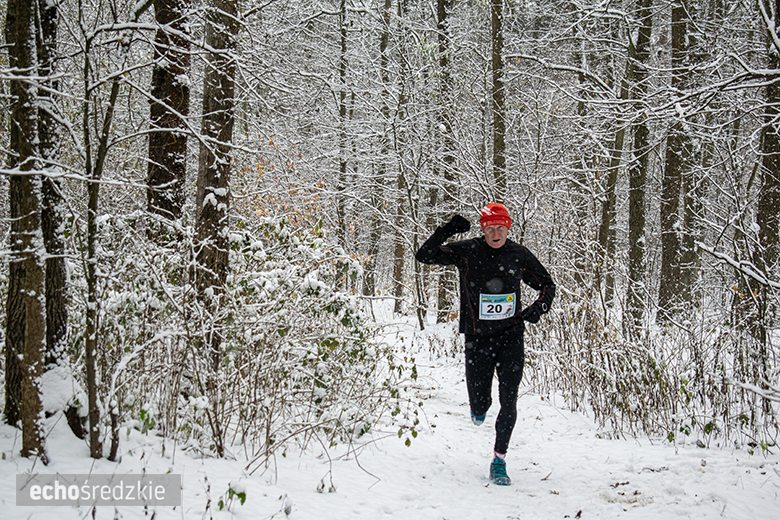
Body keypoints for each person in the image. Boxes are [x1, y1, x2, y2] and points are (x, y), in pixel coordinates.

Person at [415, 203, 555, 486]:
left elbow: (547, 285)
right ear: (483, 228)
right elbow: (424, 256)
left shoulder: (518, 255)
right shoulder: (468, 251)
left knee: (509, 398)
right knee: (481, 404)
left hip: (511, 336)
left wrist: (538, 309)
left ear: (508, 227)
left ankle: (499, 460)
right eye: (490, 228)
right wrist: (448, 230)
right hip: (477, 338)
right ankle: (478, 408)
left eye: (500, 228)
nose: (495, 233)